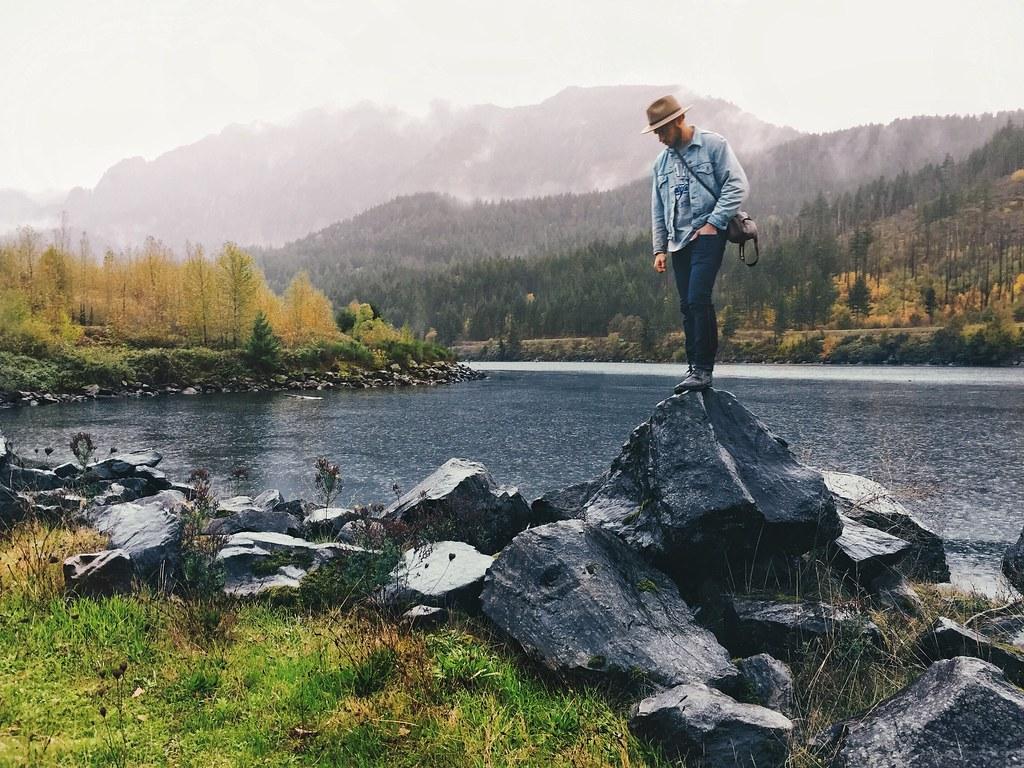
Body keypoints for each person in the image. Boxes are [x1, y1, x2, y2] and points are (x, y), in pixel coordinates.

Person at [644, 95, 748, 392]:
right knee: (686, 306)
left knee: (698, 298)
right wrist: (659, 248)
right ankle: (693, 368)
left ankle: (703, 370)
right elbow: (658, 209)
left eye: (663, 131)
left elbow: (737, 184)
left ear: (679, 121)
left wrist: (713, 223)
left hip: (707, 236)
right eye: (656, 133)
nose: (660, 138)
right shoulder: (660, 163)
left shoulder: (713, 145)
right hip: (678, 243)